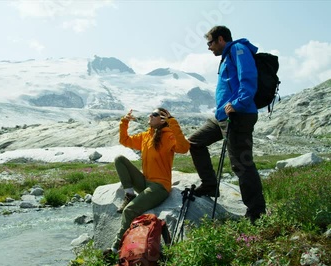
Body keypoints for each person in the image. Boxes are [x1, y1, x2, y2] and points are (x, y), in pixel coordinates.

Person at [188, 25, 266, 224]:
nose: (208, 48)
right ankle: (210, 185)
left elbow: (248, 78)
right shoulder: (228, 55)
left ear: (221, 39)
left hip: (238, 114)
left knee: (241, 164)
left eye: (210, 43)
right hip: (223, 114)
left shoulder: (238, 50)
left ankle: (257, 213)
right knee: (195, 142)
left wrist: (238, 104)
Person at [108, 108, 189, 253]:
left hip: (160, 187)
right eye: (150, 113)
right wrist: (124, 122)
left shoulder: (169, 136)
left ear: (163, 119)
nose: (150, 115)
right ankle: (130, 194)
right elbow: (124, 140)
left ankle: (115, 247)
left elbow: (183, 148)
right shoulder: (146, 135)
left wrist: (173, 122)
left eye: (155, 114)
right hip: (145, 182)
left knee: (129, 210)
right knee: (119, 159)